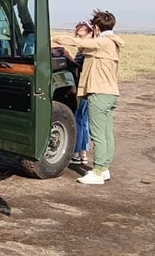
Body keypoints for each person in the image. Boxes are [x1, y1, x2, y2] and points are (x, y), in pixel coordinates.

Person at [51, 10, 124, 185]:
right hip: (110, 93)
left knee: (98, 134)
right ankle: (104, 168)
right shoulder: (112, 43)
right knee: (106, 134)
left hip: (99, 93)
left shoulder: (102, 42)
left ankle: (98, 171)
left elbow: (80, 42)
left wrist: (57, 39)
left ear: (97, 27)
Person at [68, 20, 93, 165]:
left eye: (81, 33)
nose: (79, 36)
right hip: (88, 87)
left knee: (79, 118)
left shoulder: (86, 50)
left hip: (85, 87)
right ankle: (83, 152)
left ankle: (77, 152)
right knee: (83, 120)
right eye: (77, 33)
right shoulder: (87, 49)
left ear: (90, 34)